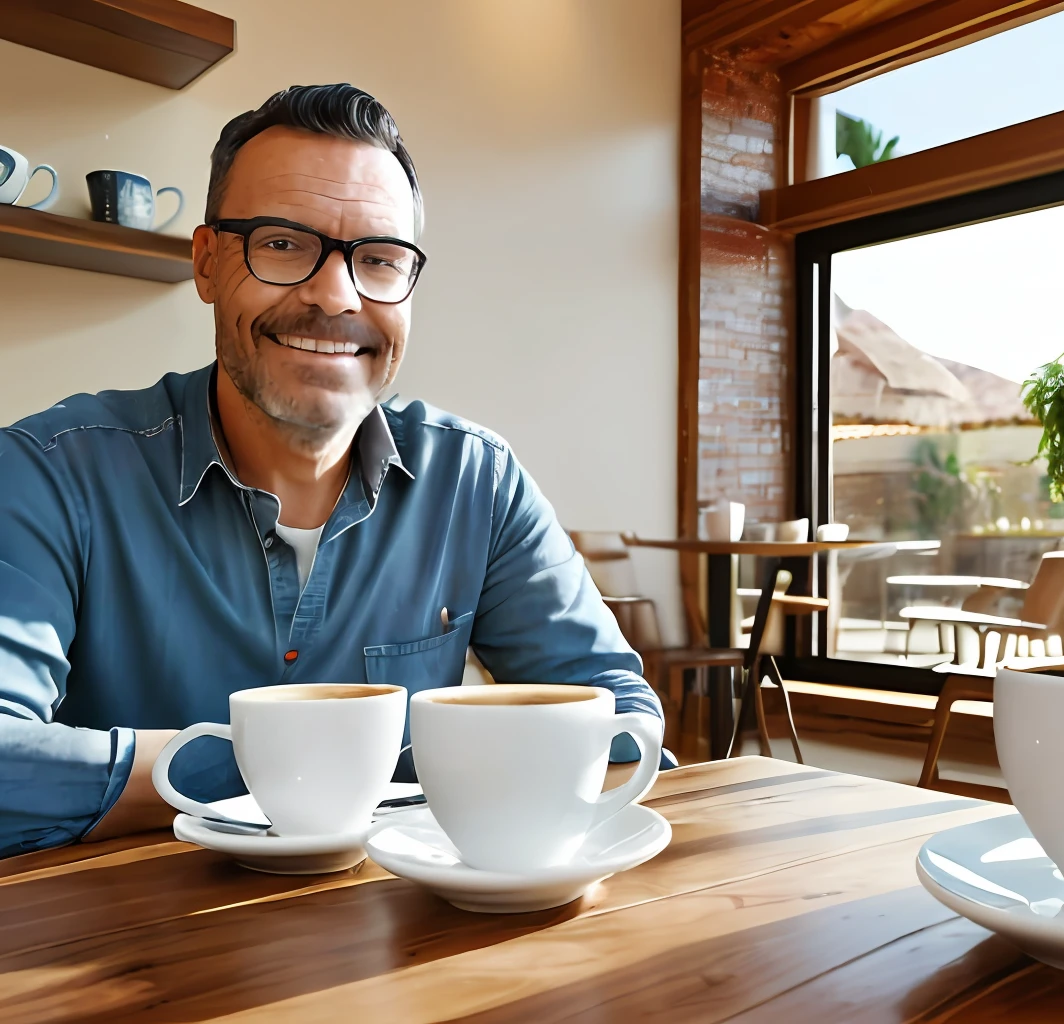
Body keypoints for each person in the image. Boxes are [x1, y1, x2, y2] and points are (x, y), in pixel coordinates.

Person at [0, 84, 663, 858]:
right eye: (283, 244)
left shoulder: (475, 482)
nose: (335, 295)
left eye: (379, 259)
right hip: (123, 955)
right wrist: (303, 766)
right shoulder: (49, 474)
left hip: (416, 944)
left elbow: (619, 718)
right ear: (208, 263)